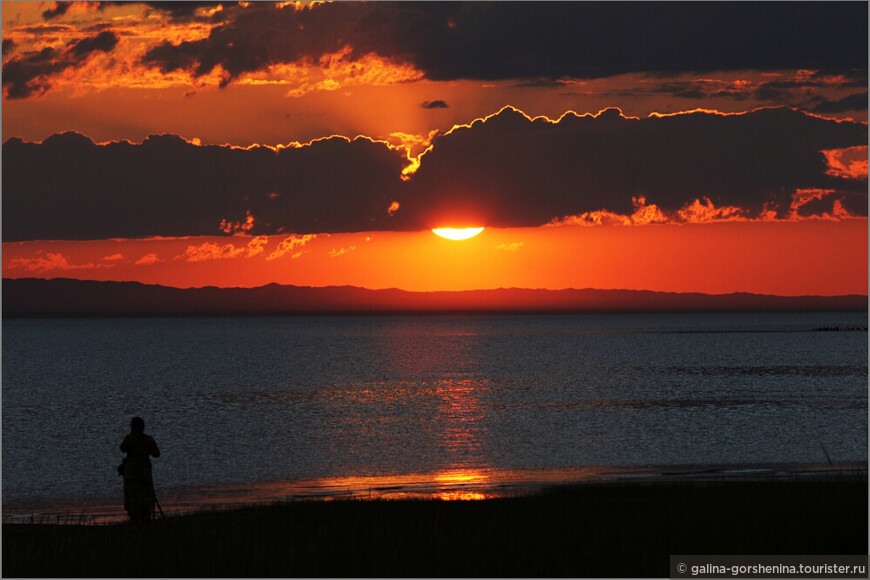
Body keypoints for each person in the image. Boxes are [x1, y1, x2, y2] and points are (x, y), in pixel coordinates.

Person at [120, 416, 160, 524]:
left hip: (131, 474)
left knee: (131, 499)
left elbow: (122, 448)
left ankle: (136, 521)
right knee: (145, 498)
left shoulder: (129, 438)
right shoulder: (148, 440)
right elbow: (156, 454)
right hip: (144, 473)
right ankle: (144, 520)